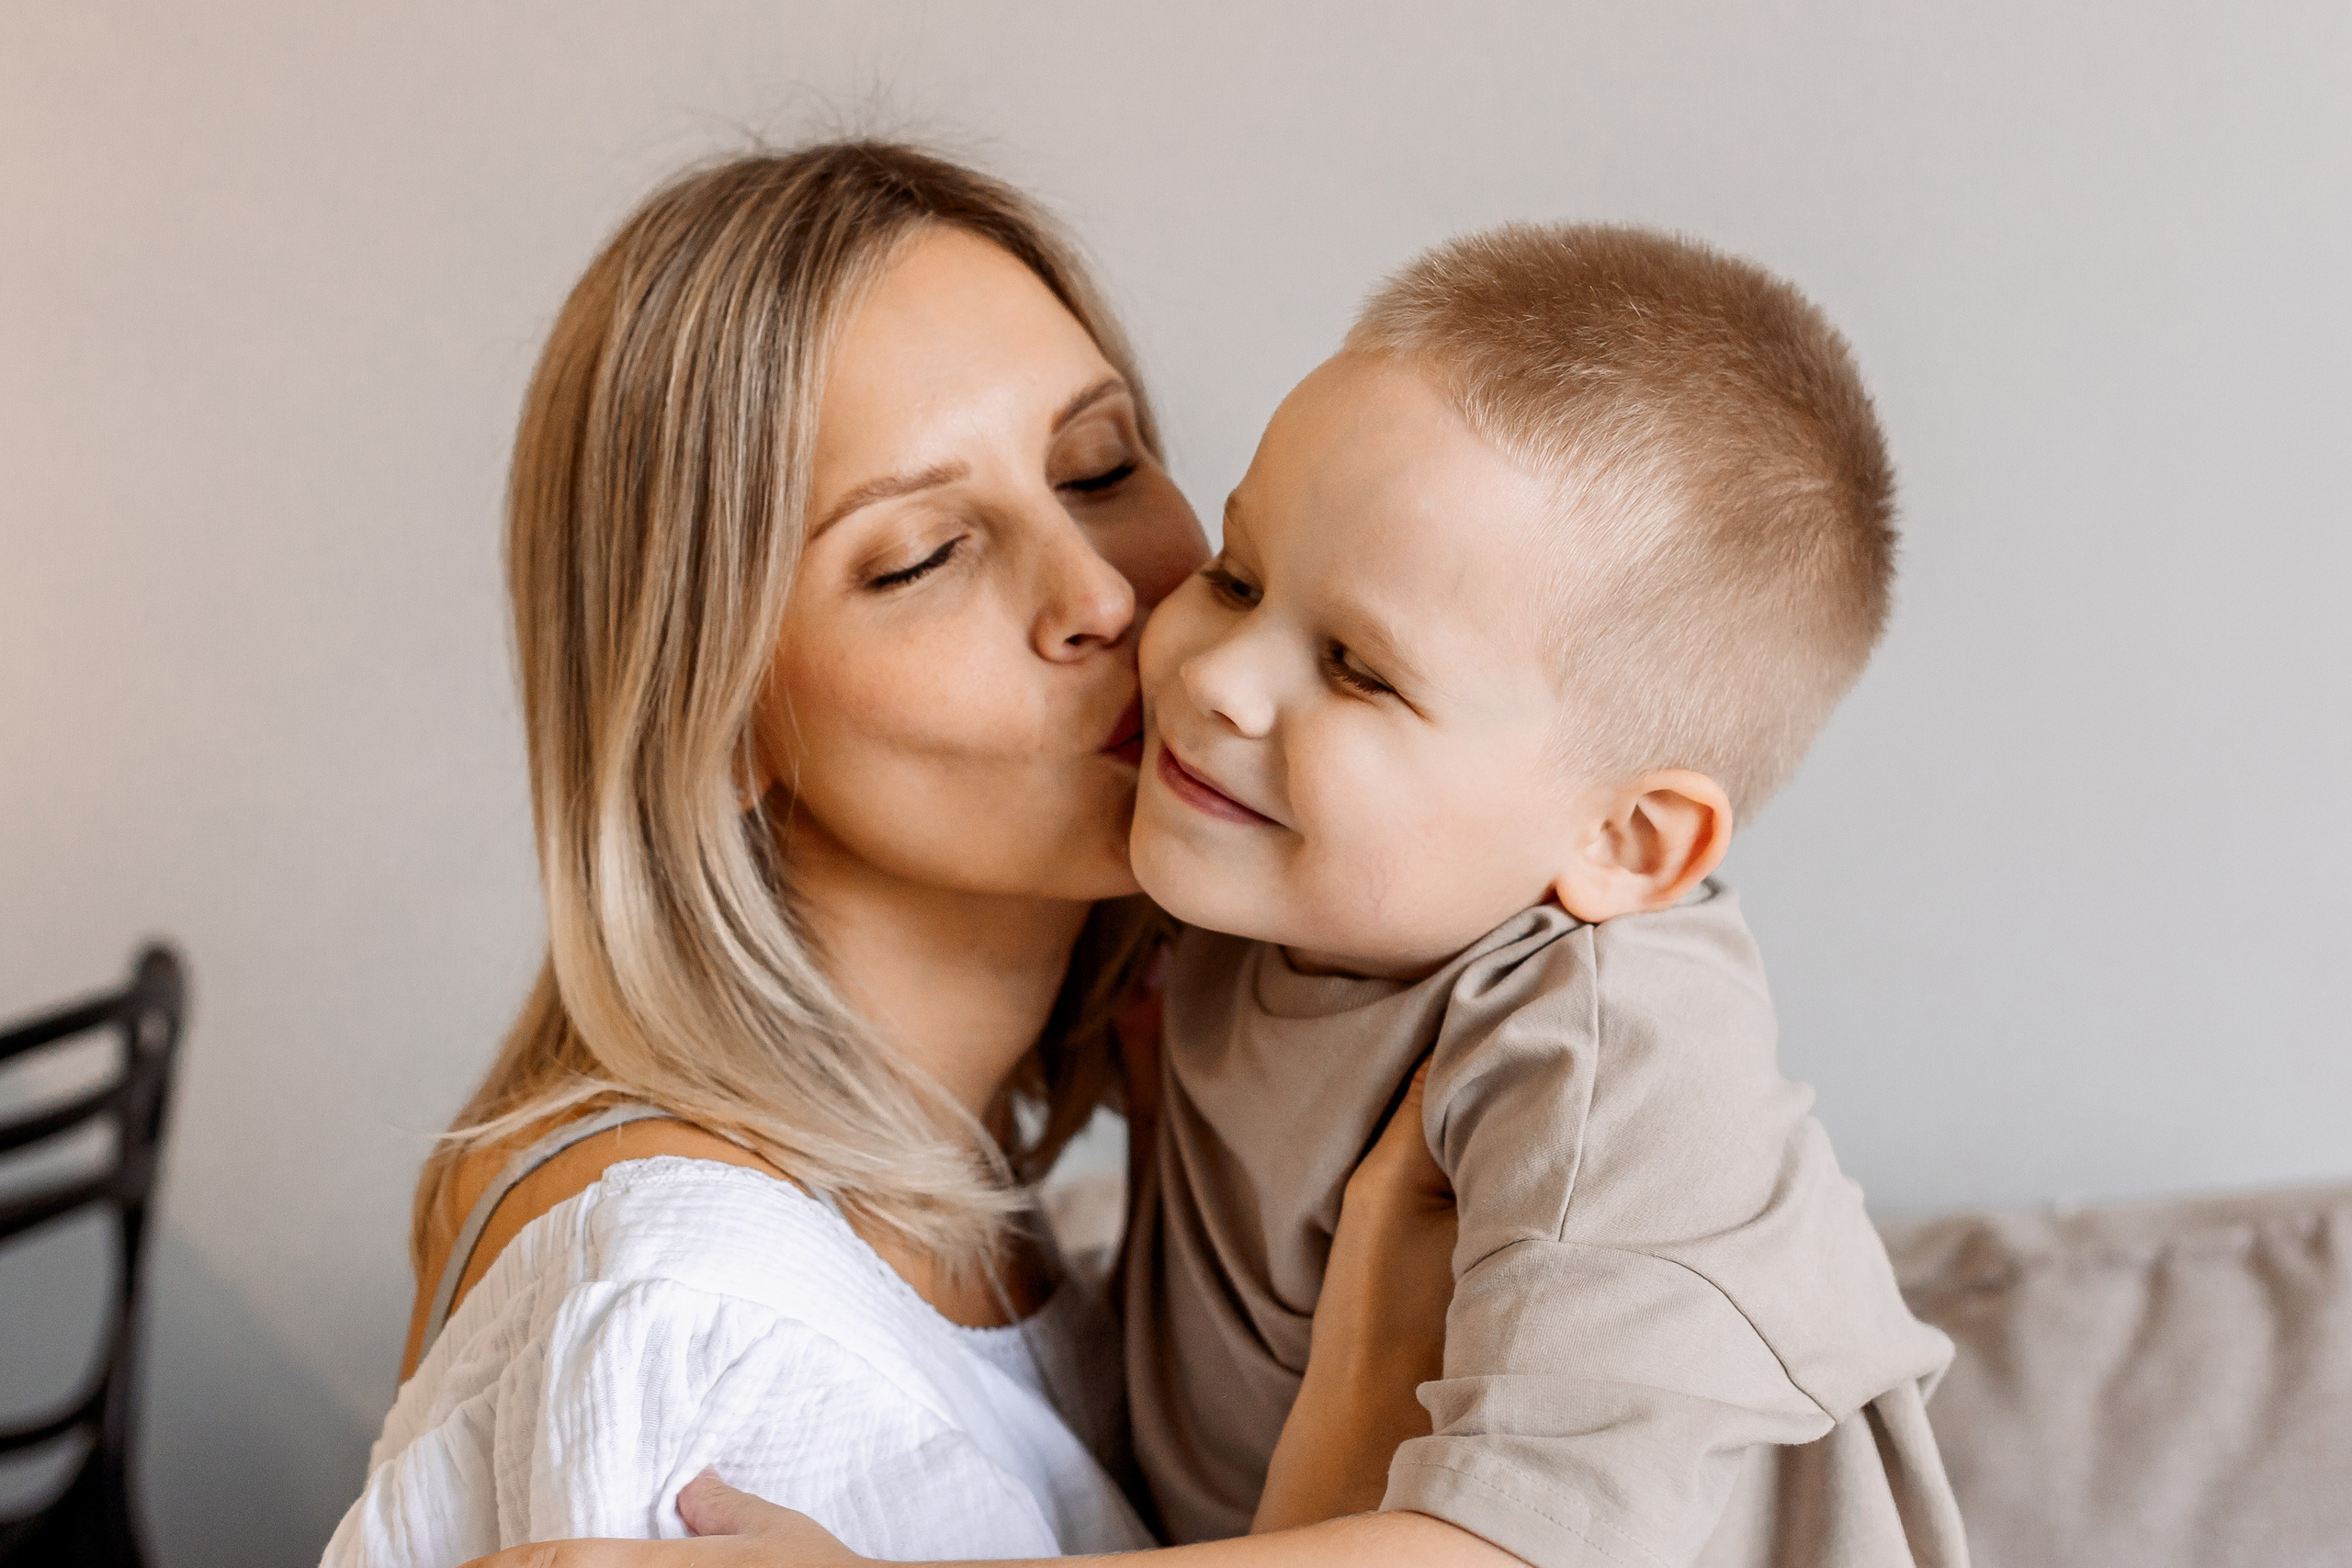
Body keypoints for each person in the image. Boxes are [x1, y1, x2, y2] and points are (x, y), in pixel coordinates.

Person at [517, 226, 1978, 1568]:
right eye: (1237, 574)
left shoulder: (1608, 1060)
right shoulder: (1263, 898)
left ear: (1630, 842)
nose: (1204, 673)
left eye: (1355, 668)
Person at [322, 141, 1464, 1567]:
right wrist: (1372, 1391)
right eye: (924, 553)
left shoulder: (990, 1198)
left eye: (1100, 467)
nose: (1103, 593)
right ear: (715, 718)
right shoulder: (708, 1331)